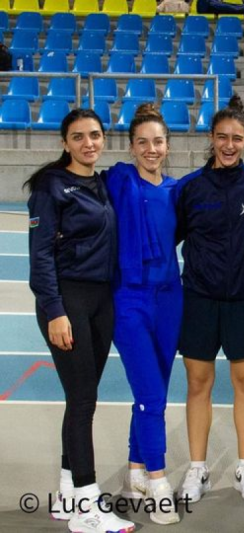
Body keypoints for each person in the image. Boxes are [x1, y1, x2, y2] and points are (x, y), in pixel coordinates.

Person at [27, 109, 135, 533]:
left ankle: (68, 493)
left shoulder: (103, 183)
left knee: (80, 398)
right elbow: (40, 256)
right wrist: (55, 310)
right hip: (67, 299)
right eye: (78, 137)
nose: (88, 143)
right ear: (64, 143)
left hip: (101, 299)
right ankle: (88, 507)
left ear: (103, 138)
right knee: (84, 401)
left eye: (94, 135)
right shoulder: (51, 187)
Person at [175, 95, 244, 503]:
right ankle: (198, 468)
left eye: (237, 138)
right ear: (211, 138)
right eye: (222, 137)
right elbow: (167, 240)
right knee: (198, 383)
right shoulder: (190, 189)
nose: (229, 145)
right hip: (198, 299)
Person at [106, 104, 181, 525]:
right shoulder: (119, 182)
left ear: (167, 146)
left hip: (170, 300)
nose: (151, 149)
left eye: (158, 142)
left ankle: (135, 470)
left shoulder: (176, 191)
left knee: (154, 393)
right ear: (131, 147)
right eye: (143, 142)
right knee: (152, 396)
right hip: (129, 300)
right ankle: (158, 482)